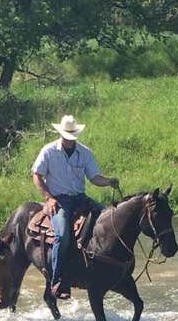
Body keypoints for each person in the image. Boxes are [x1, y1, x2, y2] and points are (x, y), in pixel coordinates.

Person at [32, 114, 119, 300]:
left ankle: (105, 268)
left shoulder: (85, 153)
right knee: (62, 236)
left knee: (109, 219)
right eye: (66, 136)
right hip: (60, 200)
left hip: (80, 198)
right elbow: (37, 175)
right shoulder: (48, 151)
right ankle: (57, 281)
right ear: (61, 134)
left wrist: (109, 181)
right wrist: (48, 198)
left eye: (72, 137)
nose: (69, 140)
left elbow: (94, 177)